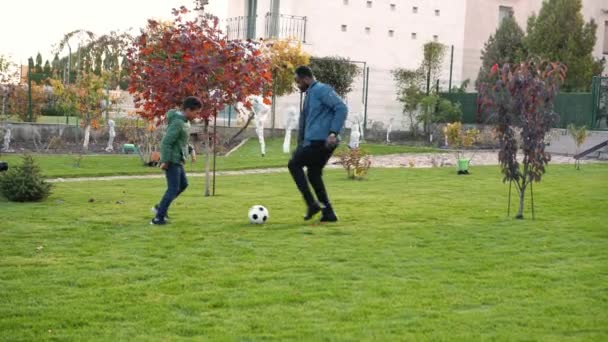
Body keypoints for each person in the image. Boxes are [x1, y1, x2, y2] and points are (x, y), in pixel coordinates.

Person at [288, 66, 348, 222]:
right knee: (313, 174)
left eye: (298, 81)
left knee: (294, 164)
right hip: (313, 142)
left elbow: (341, 108)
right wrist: (301, 143)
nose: (297, 85)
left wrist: (333, 133)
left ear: (306, 79)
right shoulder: (310, 94)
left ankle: (312, 204)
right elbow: (306, 122)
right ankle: (328, 212)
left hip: (323, 141)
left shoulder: (321, 90)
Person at [150, 96, 202, 225]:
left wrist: (191, 151)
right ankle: (158, 218)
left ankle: (160, 207)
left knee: (183, 185)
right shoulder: (178, 122)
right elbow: (166, 143)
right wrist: (165, 161)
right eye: (196, 112)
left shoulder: (185, 122)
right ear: (188, 110)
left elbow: (182, 141)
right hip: (172, 160)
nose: (197, 116)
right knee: (173, 189)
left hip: (178, 159)